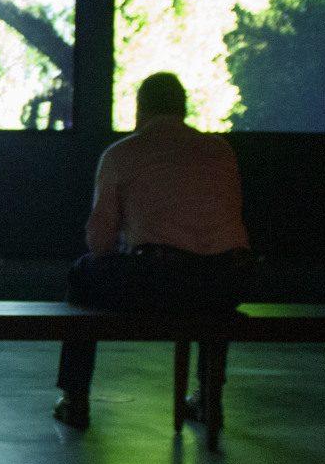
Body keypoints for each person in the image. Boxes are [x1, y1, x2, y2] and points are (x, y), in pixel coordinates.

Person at [54, 73, 254, 431]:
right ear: (183, 108)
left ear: (139, 109)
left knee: (83, 272)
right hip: (230, 280)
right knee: (210, 290)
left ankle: (75, 397)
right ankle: (210, 396)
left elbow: (99, 244)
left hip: (161, 280)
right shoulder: (221, 150)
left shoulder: (121, 154)